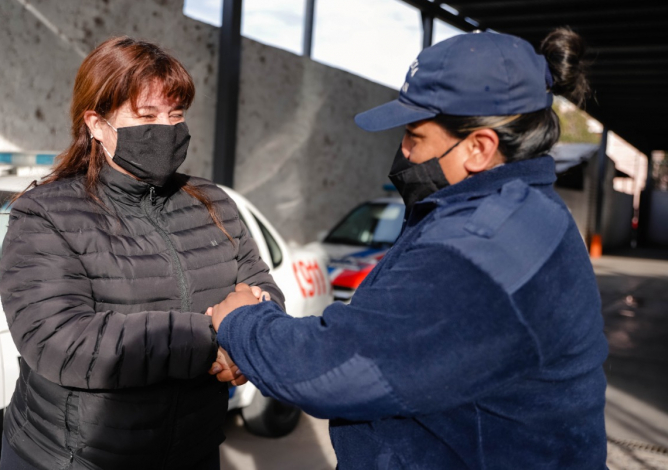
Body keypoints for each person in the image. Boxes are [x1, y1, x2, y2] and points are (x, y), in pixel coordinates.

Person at [210, 29, 608, 469]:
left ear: (478, 147)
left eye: (415, 135)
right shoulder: (517, 212)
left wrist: (241, 323)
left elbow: (342, 365)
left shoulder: (485, 247)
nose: (403, 150)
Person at [0, 37, 283, 470]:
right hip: (74, 458)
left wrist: (252, 339)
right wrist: (218, 340)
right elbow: (59, 340)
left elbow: (260, 286)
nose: (166, 128)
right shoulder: (45, 213)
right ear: (96, 123)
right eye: (146, 115)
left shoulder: (213, 202)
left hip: (193, 450)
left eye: (176, 114)